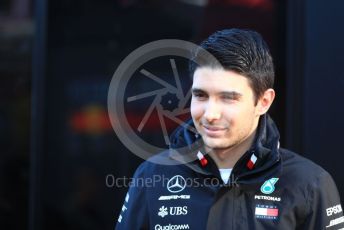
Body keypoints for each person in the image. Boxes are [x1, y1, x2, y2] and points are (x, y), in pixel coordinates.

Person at [115, 28, 343, 229]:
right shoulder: (152, 175)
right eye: (201, 95)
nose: (210, 114)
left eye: (228, 98)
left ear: (264, 102)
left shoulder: (309, 184)